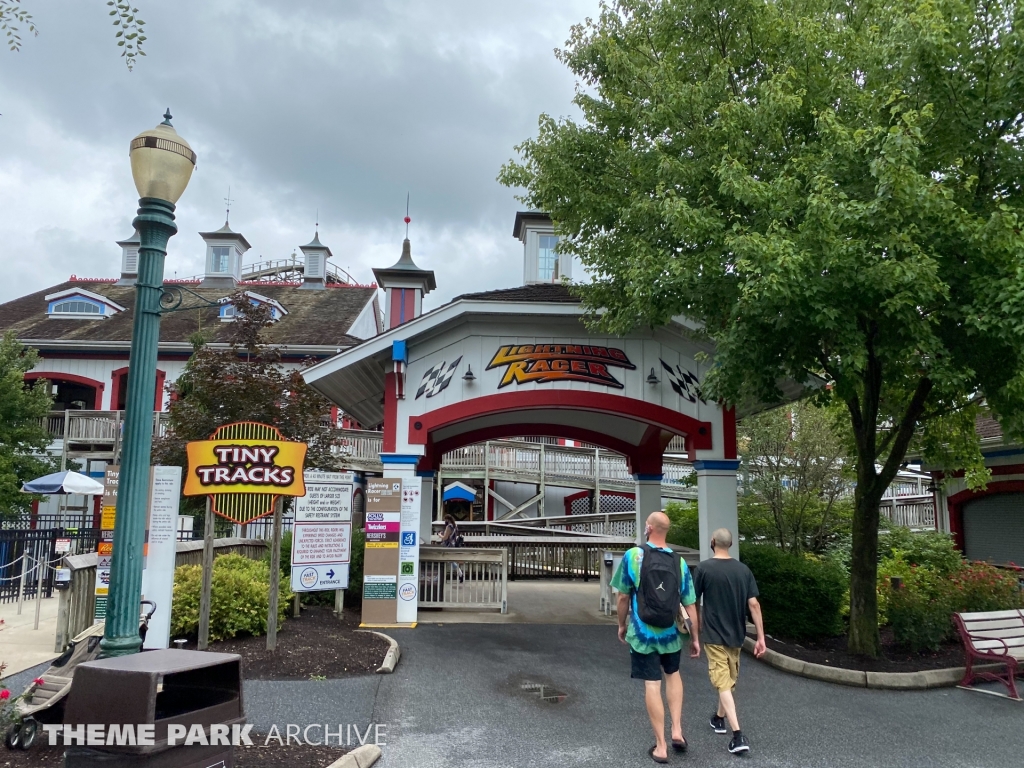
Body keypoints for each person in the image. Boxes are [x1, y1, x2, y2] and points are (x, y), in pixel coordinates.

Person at [611, 511, 700, 764]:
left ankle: (661, 747)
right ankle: (677, 731)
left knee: (652, 684)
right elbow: (690, 604)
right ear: (667, 531)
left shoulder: (634, 556)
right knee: (673, 675)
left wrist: (621, 624)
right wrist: (695, 637)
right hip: (671, 634)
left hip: (643, 633)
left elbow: (623, 597)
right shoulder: (679, 563)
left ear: (648, 528)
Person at [693, 527, 766, 755]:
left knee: (726, 682)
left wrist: (694, 632)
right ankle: (727, 726)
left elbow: (692, 602)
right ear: (731, 544)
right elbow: (754, 604)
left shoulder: (704, 569)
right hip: (737, 635)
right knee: (726, 681)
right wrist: (761, 638)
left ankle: (728, 727)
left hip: (713, 634)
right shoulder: (743, 570)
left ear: (712, 542)